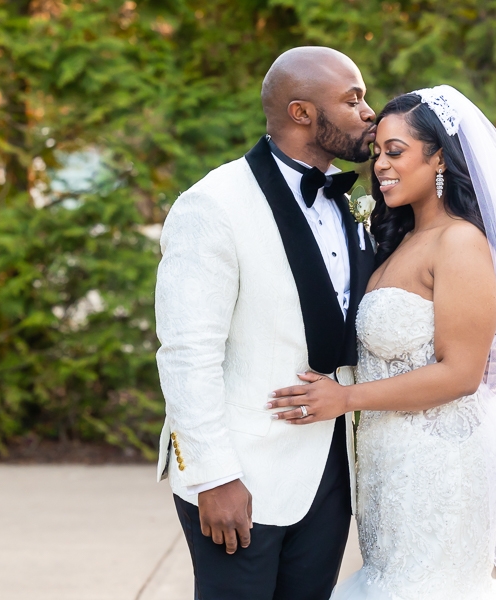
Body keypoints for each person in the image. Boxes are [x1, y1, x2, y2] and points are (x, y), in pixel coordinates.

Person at [266, 86, 496, 599]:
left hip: (444, 464)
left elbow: (461, 373)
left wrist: (345, 399)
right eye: (377, 153)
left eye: (395, 152)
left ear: (438, 158)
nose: (380, 166)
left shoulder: (461, 243)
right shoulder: (401, 240)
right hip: (390, 462)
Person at [154, 47, 377, 600]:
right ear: (302, 113)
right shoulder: (213, 205)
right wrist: (213, 476)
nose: (369, 111)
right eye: (353, 100)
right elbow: (186, 351)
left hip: (332, 472)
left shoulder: (356, 204)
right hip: (241, 474)